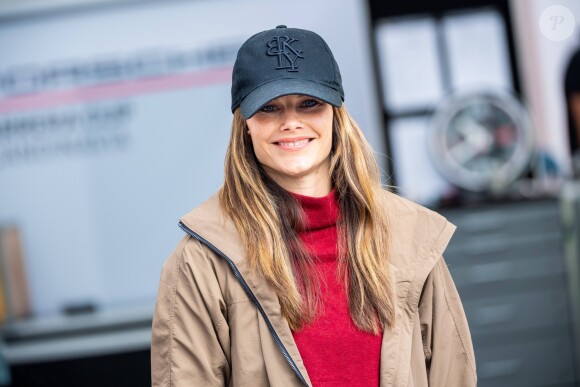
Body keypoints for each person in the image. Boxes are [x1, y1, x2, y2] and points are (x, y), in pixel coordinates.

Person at [151, 25, 476, 387]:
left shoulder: (413, 237)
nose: (291, 122)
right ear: (245, 124)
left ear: (336, 115)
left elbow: (453, 375)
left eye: (309, 103)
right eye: (269, 107)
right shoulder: (201, 262)